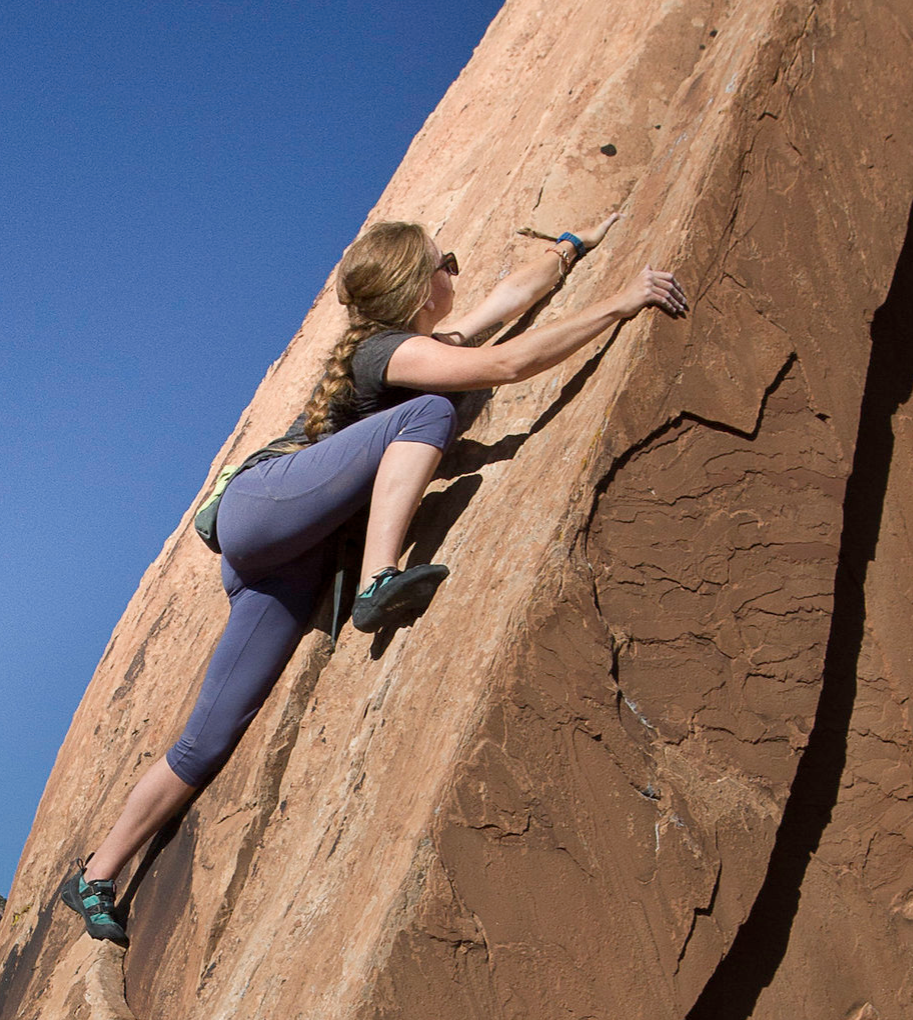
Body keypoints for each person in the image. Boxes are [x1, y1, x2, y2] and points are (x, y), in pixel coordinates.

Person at [59, 213, 687, 943]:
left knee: (208, 738)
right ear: (419, 288)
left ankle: (96, 874)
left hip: (287, 561)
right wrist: (621, 302)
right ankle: (378, 579)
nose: (457, 271)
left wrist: (570, 250)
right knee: (429, 411)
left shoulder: (417, 345)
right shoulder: (389, 354)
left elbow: (503, 305)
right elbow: (509, 363)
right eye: (447, 262)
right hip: (263, 508)